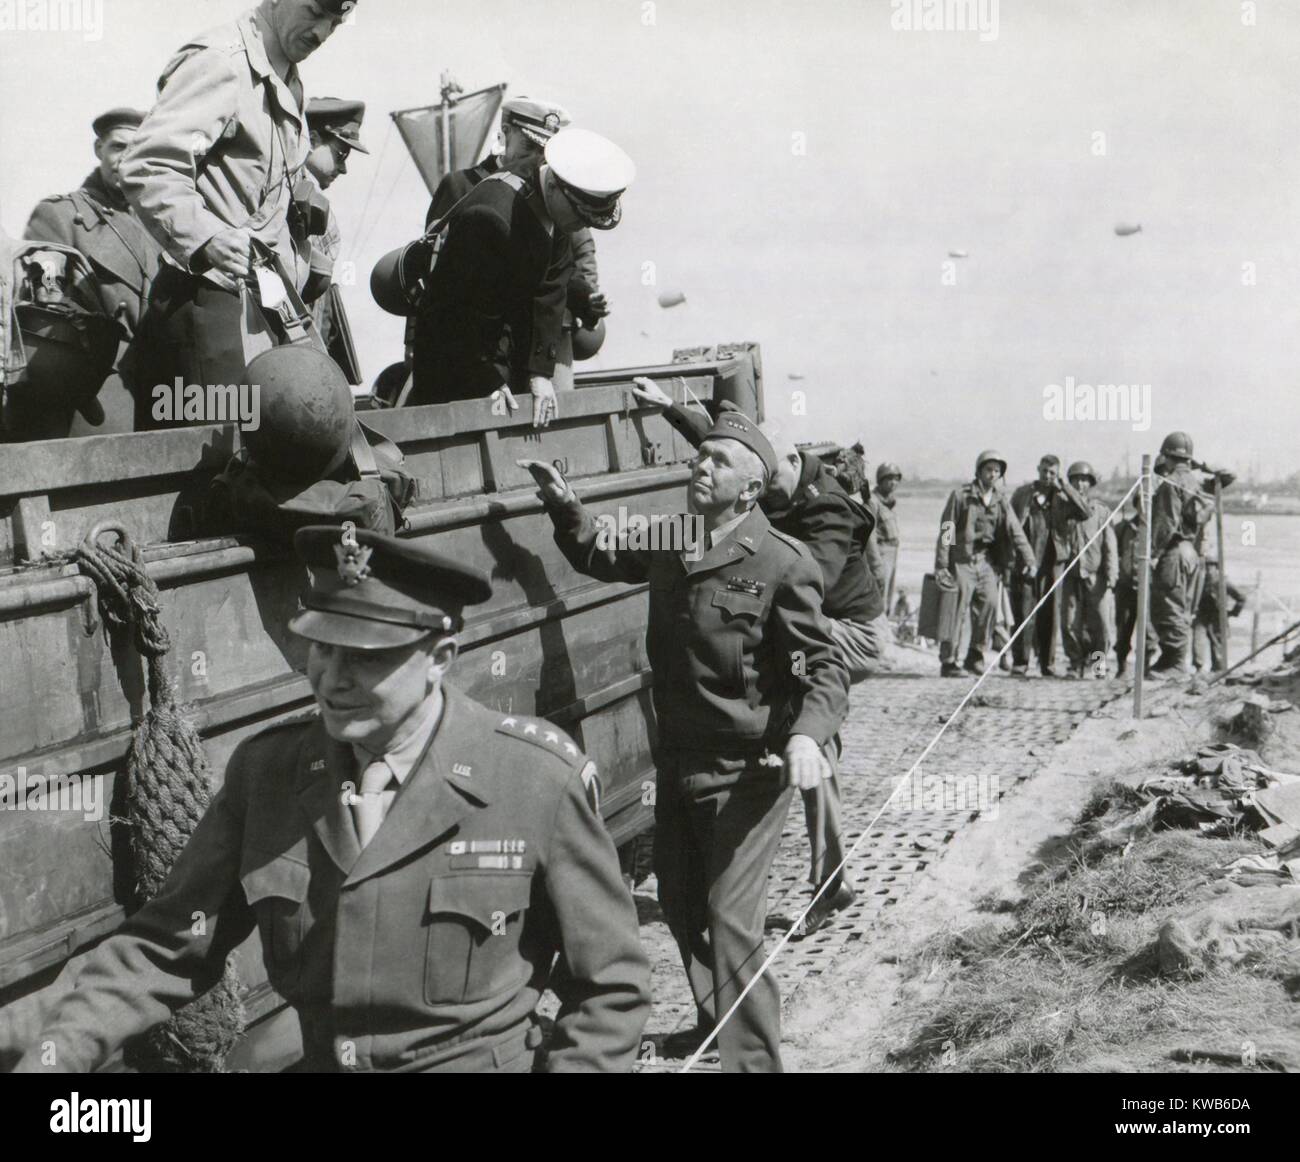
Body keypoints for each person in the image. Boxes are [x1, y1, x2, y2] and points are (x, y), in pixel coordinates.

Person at [15, 525, 650, 1074]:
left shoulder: (530, 778)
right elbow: (163, 948)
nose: (333, 678)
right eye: (322, 647)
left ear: (441, 656)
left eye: (366, 657)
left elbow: (611, 990)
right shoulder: (269, 774)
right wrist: (53, 1055)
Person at [520, 410, 850, 1074]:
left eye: (719, 461)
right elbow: (600, 553)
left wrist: (810, 736)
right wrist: (565, 507)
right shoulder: (675, 537)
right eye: (699, 457)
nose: (701, 466)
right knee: (680, 901)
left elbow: (825, 667)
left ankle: (753, 1062)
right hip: (678, 757)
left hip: (751, 769)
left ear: (751, 491)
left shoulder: (784, 564)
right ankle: (715, 1023)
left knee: (730, 919)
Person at [121, 0, 354, 425]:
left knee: (272, 451)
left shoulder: (286, 78)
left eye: (336, 23)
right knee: (220, 458)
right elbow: (149, 164)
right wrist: (207, 236)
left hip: (264, 308)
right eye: (315, 12)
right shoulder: (222, 62)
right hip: (208, 304)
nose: (322, 32)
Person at [409, 126, 630, 426]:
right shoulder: (490, 217)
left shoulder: (556, 201)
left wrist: (540, 373)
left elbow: (552, 289)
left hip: (498, 354)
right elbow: (451, 314)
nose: (580, 227)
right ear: (553, 186)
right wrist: (485, 380)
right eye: (579, 216)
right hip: (454, 361)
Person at [23, 107, 163, 436]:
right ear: (98, 148)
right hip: (94, 395)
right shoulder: (59, 216)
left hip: (160, 394)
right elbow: (44, 314)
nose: (127, 159)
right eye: (118, 147)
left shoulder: (162, 226)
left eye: (139, 149)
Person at [935, 449, 1035, 677]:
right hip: (961, 561)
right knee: (956, 611)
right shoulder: (961, 496)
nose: (992, 474)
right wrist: (942, 565)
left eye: (997, 471)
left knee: (988, 607)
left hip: (987, 562)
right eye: (989, 469)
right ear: (979, 471)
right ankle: (949, 661)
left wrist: (1030, 559)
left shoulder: (1001, 501)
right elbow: (947, 530)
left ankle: (975, 655)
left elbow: (1015, 531)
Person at [302, 96, 368, 374]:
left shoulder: (307, 196)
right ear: (313, 139)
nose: (344, 168)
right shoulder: (296, 198)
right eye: (340, 155)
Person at [1148, 431, 1222, 676]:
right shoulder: (1197, 482)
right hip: (1190, 551)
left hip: (1174, 551)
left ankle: (1176, 663)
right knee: (1179, 606)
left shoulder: (1171, 482)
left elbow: (1165, 523)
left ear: (1166, 455)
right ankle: (1170, 659)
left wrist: (1154, 553)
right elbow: (1228, 477)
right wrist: (1202, 465)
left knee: (1168, 606)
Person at [1008, 455, 1090, 677]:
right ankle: (1020, 662)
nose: (1047, 476)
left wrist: (1064, 486)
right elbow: (1010, 525)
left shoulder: (1063, 497)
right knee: (1024, 613)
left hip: (1053, 563)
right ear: (1038, 469)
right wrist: (1012, 559)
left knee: (1050, 615)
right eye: (1044, 471)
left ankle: (1047, 664)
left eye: (1052, 473)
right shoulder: (1023, 494)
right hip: (1026, 562)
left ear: (1058, 474)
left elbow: (1085, 512)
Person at [1058, 461, 1118, 678]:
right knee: (1070, 622)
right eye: (1075, 480)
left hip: (1096, 575)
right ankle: (1075, 663)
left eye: (1084, 480)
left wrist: (1112, 574)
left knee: (1100, 623)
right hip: (1071, 575)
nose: (1080, 484)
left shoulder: (1101, 511)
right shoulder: (1063, 509)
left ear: (1090, 483)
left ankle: (1098, 664)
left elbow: (1110, 544)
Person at [1113, 491, 1154, 679]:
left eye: (1148, 503)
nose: (1144, 507)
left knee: (1148, 631)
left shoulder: (1155, 529)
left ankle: (1145, 669)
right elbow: (1113, 555)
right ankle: (1121, 667)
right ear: (1136, 505)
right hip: (1125, 587)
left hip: (1148, 588)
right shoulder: (1122, 528)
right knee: (1123, 629)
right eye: (1141, 503)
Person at [1193, 559, 1245, 672]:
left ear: (1216, 568)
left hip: (1217, 616)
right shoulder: (1200, 581)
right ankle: (1198, 668)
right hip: (1202, 615)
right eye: (1205, 567)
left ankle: (1218, 670)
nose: (1207, 570)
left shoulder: (1223, 582)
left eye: (1210, 567)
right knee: (1198, 641)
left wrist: (1233, 613)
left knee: (1217, 644)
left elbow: (1241, 598)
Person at [868, 462, 903, 612]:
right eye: (889, 479)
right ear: (880, 480)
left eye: (896, 479)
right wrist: (876, 564)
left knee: (888, 594)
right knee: (879, 593)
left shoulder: (889, 502)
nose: (893, 483)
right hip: (881, 552)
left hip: (892, 552)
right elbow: (870, 536)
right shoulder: (873, 502)